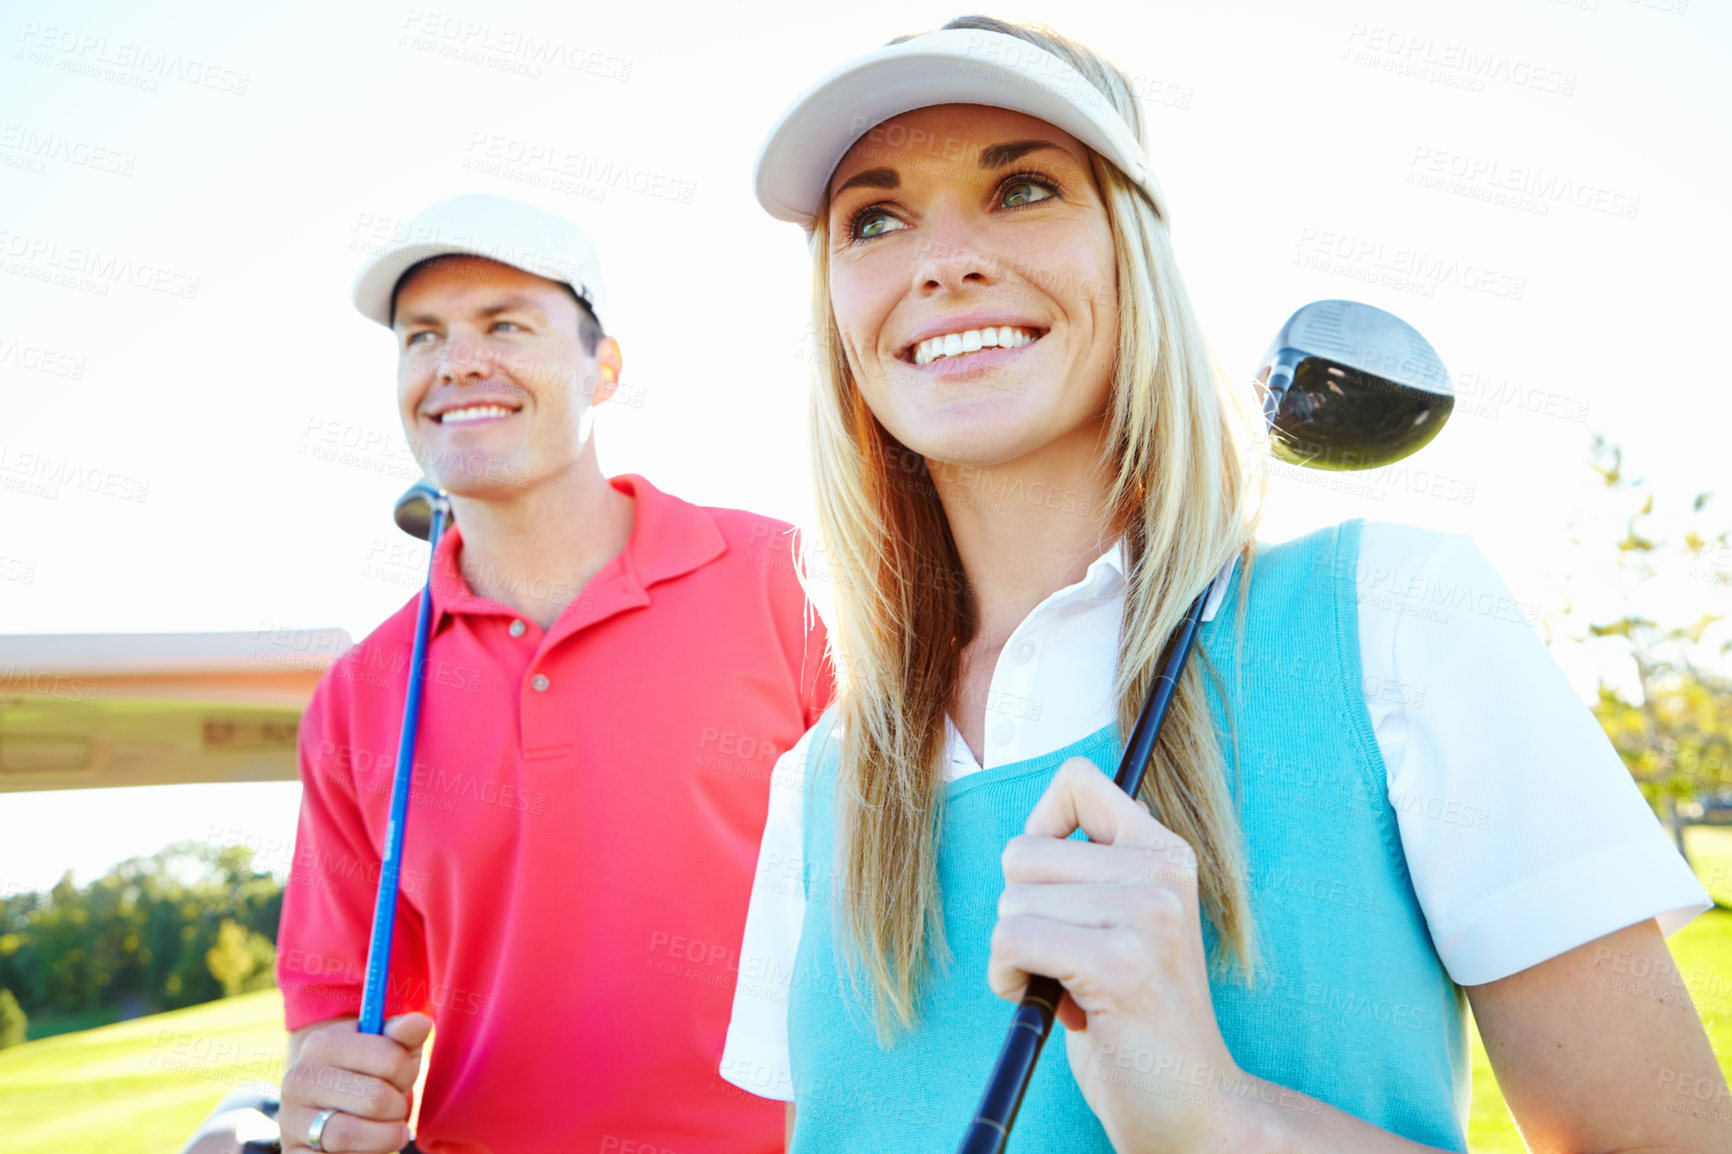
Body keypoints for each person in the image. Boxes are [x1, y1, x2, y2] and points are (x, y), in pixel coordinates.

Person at [720, 17, 1727, 1152]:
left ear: (1131, 251)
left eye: (1024, 190)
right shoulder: (817, 780)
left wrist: (1219, 1115)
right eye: (875, 217)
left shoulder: (1397, 615)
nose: (940, 259)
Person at [272, 194, 832, 1154]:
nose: (456, 363)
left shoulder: (790, 580)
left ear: (602, 368)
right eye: (423, 337)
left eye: (505, 325)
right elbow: (330, 1024)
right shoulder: (358, 695)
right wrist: (327, 1108)